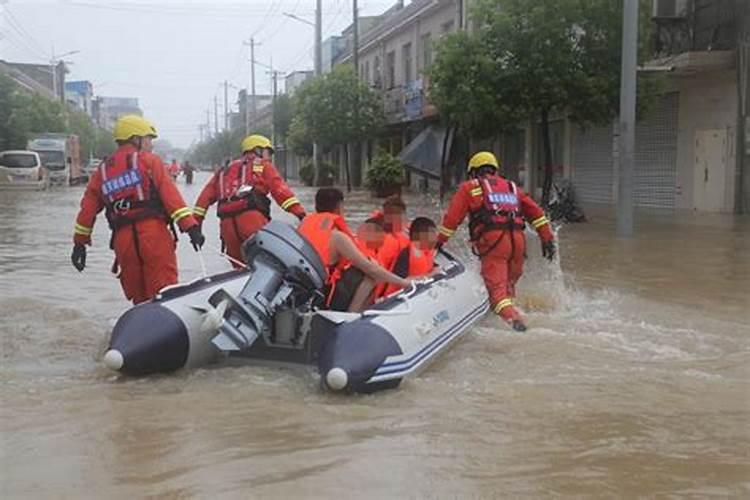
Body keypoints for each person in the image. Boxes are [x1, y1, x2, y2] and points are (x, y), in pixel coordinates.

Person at [71, 115, 205, 304]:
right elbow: (171, 198)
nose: (151, 144)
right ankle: (166, 327)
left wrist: (80, 243)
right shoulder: (149, 161)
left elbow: (87, 211)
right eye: (149, 139)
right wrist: (191, 227)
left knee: (139, 295)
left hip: (123, 240)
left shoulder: (101, 171)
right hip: (153, 234)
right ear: (136, 139)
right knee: (164, 291)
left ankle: (143, 328)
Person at [437, 151, 555, 332]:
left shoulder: (470, 188)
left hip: (494, 244)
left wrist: (438, 243)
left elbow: (451, 220)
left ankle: (517, 323)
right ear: (495, 170)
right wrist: (547, 239)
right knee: (508, 286)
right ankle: (510, 309)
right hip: (518, 243)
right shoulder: (512, 188)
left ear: (473, 171)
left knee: (496, 293)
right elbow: (537, 214)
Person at [193, 134, 305, 267]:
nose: (269, 157)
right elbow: (280, 191)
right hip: (252, 220)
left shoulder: (224, 170)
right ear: (258, 150)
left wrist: (195, 226)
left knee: (239, 271)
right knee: (265, 266)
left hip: (227, 227)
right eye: (267, 152)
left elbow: (203, 200)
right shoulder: (262, 165)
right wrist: (301, 214)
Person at [298, 188, 412, 312]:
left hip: (306, 293)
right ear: (339, 208)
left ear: (316, 206)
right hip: (324, 298)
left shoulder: (303, 226)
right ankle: (352, 317)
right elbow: (371, 269)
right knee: (372, 271)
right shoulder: (338, 237)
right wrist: (405, 283)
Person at [383, 217, 438, 296]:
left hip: (418, 292)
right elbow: (401, 281)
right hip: (397, 299)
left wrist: (436, 269)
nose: (436, 239)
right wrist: (430, 275)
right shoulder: (406, 254)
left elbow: (432, 266)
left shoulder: (426, 251)